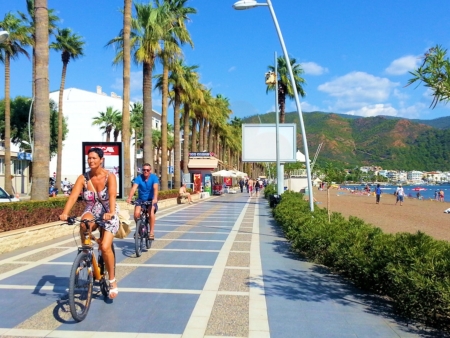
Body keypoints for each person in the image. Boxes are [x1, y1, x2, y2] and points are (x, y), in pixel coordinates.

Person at [59, 147, 119, 299]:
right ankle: (86, 252)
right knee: (83, 223)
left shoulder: (109, 176)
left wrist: (111, 212)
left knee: (105, 247)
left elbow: (112, 195)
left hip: (107, 210)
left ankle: (112, 280)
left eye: (94, 158)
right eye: (89, 158)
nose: (91, 161)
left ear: (101, 160)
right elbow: (73, 197)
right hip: (91, 209)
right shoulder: (83, 178)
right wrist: (65, 213)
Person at [126, 163, 159, 240]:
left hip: (151, 199)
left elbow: (155, 188)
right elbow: (134, 188)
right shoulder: (138, 178)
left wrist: (155, 198)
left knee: (151, 212)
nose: (145, 171)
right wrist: (129, 198)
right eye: (144, 170)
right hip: (141, 199)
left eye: (147, 170)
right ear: (142, 170)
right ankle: (139, 229)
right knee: (136, 214)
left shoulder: (154, 178)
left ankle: (151, 232)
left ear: (150, 171)